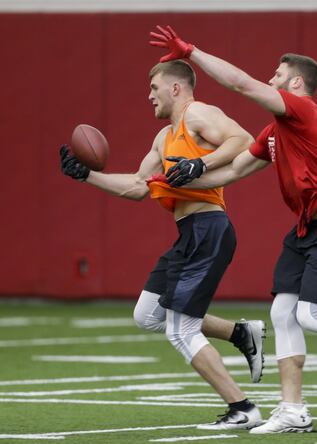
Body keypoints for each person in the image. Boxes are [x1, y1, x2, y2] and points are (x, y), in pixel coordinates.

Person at [149, 25, 317, 434]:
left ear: (296, 83)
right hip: (307, 230)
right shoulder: (276, 130)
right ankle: (293, 410)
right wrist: (184, 175)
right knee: (283, 312)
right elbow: (238, 168)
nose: (269, 80)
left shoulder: (302, 109)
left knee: (311, 315)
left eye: (277, 76)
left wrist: (191, 52)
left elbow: (242, 84)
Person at [59, 59, 265, 430]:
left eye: (154, 88)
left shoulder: (198, 113)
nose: (149, 96)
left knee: (180, 329)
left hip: (209, 228)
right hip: (189, 234)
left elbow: (243, 141)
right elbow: (137, 186)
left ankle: (243, 408)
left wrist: (202, 165)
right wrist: (87, 175)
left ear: (176, 88)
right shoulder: (162, 138)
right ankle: (240, 333)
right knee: (148, 315)